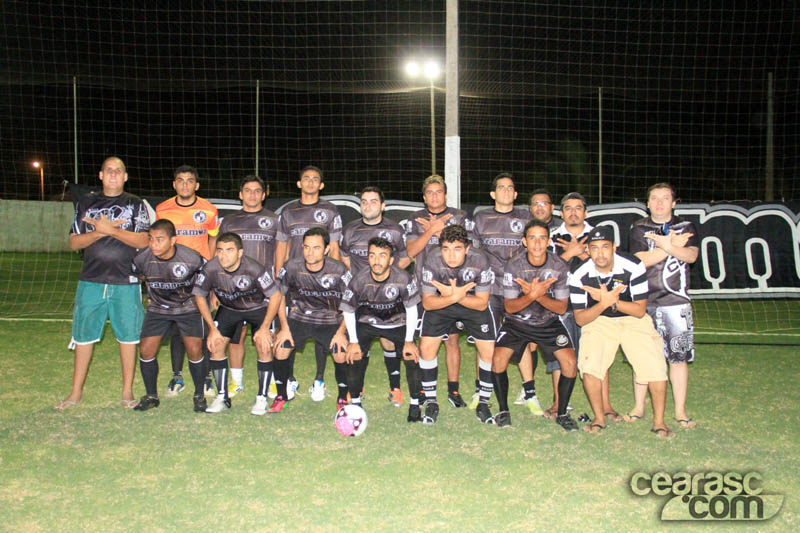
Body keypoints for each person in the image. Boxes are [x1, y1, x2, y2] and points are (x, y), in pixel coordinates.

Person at [55, 156, 150, 410]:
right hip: (91, 280)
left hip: (126, 282)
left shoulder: (135, 204)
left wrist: (113, 231)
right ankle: (75, 393)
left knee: (128, 338)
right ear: (100, 175)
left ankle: (127, 391)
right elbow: (74, 242)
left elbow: (143, 241)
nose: (113, 175)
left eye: (118, 171)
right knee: (84, 336)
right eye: (109, 171)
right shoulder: (87, 202)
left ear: (125, 176)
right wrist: (99, 231)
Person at [569, 226, 673, 438]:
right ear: (587, 250)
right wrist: (602, 304)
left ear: (614, 248)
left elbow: (639, 309)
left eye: (605, 247)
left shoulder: (633, 266)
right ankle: (599, 418)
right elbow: (580, 319)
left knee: (655, 366)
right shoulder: (579, 274)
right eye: (595, 248)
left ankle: (659, 422)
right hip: (598, 320)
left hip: (632, 319)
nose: (600, 254)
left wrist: (612, 302)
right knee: (589, 367)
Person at [483, 220, 579, 430]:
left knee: (570, 363)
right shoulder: (514, 265)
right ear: (525, 241)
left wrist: (538, 295)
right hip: (517, 323)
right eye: (532, 238)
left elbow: (561, 308)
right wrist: (531, 296)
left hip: (548, 322)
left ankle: (562, 413)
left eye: (542, 238)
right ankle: (503, 411)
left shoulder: (558, 266)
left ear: (549, 241)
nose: (537, 243)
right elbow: (509, 307)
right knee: (498, 359)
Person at [628, 182, 698, 429]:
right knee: (642, 357)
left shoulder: (686, 226)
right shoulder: (638, 228)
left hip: (675, 302)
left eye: (665, 198)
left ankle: (679, 411)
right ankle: (638, 407)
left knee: (678, 358)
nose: (659, 202)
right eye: (654, 198)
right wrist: (671, 246)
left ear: (674, 202)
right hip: (643, 302)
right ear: (647, 203)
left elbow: (691, 256)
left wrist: (667, 245)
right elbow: (639, 261)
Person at [471, 173, 541, 415]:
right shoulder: (480, 218)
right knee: (485, 340)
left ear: (515, 194)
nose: (505, 191)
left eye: (510, 188)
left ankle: (529, 392)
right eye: (501, 187)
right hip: (489, 290)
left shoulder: (526, 218)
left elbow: (536, 249)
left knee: (523, 339)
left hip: (518, 289)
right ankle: (481, 390)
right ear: (493, 194)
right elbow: (474, 254)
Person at [192, 232, 281, 414]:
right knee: (215, 344)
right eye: (220, 250)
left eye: (229, 250)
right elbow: (199, 295)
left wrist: (264, 327)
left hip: (257, 307)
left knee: (264, 345)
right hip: (229, 308)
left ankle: (262, 398)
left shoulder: (255, 268)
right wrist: (211, 328)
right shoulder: (210, 268)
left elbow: (276, 296)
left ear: (240, 253)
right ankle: (222, 396)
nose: (223, 255)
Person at [548, 192, 619, 421]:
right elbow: (547, 271)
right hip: (562, 305)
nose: (573, 212)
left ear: (585, 212)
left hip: (593, 307)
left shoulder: (599, 236)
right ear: (561, 213)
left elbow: (611, 265)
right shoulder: (551, 237)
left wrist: (589, 255)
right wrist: (571, 253)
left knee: (599, 356)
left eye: (578, 208)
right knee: (560, 356)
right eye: (568, 208)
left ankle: (606, 406)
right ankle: (558, 403)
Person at [274, 165, 343, 400]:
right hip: (295, 279)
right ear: (299, 183)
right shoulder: (288, 212)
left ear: (321, 185)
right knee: (292, 327)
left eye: (316, 179)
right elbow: (282, 245)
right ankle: (290, 380)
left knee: (324, 323)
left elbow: (333, 246)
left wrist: (331, 278)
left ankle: (319, 379)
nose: (311, 182)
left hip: (322, 280)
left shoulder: (331, 210)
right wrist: (278, 274)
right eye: (306, 179)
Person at [405, 175, 474, 408]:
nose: (435, 196)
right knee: (426, 340)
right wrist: (430, 231)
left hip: (453, 286)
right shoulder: (415, 219)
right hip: (426, 288)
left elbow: (469, 248)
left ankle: (453, 391)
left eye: (439, 192)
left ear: (445, 194)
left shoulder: (460, 216)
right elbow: (412, 251)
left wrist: (440, 231)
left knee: (452, 340)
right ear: (424, 197)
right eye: (430, 193)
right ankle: (425, 388)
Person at [340, 186, 412, 406]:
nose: (367, 205)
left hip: (390, 297)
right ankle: (357, 388)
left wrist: (389, 281)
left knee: (389, 341)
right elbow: (344, 257)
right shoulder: (350, 230)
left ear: (383, 205)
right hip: (361, 295)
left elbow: (404, 259)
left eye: (373, 201)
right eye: (363, 201)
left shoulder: (395, 231)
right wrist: (359, 281)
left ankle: (395, 388)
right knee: (360, 343)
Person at [418, 225, 496, 425]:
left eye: (457, 249)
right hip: (442, 304)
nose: (451, 255)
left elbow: (482, 303)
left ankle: (484, 402)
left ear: (467, 248)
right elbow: (427, 302)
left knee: (488, 349)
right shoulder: (432, 260)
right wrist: (454, 296)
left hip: (470, 304)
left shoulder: (480, 260)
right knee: (426, 347)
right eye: (446, 248)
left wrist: (455, 296)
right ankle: (431, 402)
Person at [267, 228, 351, 413]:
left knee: (341, 352)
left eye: (316, 248)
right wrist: (284, 328)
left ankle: (342, 397)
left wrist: (341, 333)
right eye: (306, 247)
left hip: (330, 318)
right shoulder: (291, 266)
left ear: (326, 249)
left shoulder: (338, 270)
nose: (310, 252)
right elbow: (279, 295)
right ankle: (281, 395)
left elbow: (350, 303)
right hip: (300, 316)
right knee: (280, 348)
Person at [340, 237, 422, 421]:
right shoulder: (359, 279)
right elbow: (348, 310)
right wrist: (353, 342)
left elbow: (411, 309)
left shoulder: (403, 278)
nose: (377, 261)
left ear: (391, 260)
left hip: (397, 322)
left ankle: (415, 404)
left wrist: (409, 341)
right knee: (353, 356)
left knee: (411, 356)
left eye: (382, 256)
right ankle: (355, 403)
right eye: (372, 256)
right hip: (368, 322)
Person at [155, 165, 220, 397]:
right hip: (171, 278)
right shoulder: (162, 209)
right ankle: (177, 376)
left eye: (189, 180)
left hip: (199, 277)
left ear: (197, 185)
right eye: (180, 180)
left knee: (203, 326)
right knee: (176, 327)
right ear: (174, 184)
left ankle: (206, 377)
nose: (185, 184)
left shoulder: (209, 210)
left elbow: (213, 242)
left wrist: (211, 275)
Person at [130, 219, 208, 412]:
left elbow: (207, 278)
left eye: (159, 239)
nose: (153, 244)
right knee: (146, 350)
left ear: (173, 240)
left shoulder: (192, 258)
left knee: (195, 349)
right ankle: (151, 396)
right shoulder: (142, 259)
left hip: (187, 307)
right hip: (158, 309)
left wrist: (209, 299)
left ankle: (199, 395)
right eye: (150, 239)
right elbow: (138, 276)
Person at [217, 175, 279, 398]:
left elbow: (281, 252)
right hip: (233, 291)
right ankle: (237, 382)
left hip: (263, 291)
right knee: (236, 336)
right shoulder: (229, 222)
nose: (252, 195)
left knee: (266, 336)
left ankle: (270, 382)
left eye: (257, 191)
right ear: (240, 194)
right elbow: (220, 255)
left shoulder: (274, 220)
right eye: (248, 190)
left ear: (264, 194)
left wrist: (278, 282)